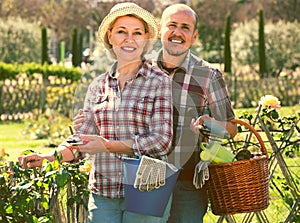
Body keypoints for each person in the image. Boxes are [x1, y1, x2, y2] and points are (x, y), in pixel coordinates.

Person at [73, 3, 237, 223]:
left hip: (186, 181)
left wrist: (209, 125)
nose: (178, 32)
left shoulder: (207, 75)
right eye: (172, 25)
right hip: (144, 179)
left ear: (194, 36)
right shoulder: (138, 67)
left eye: (185, 28)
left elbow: (232, 128)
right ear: (160, 30)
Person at [19, 2, 173, 223]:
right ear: (110, 37)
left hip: (146, 188)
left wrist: (108, 145)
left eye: (137, 32)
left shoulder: (159, 82)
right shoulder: (98, 85)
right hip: (104, 191)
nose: (129, 39)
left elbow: (161, 141)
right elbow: (82, 141)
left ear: (145, 39)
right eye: (121, 31)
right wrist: (48, 157)